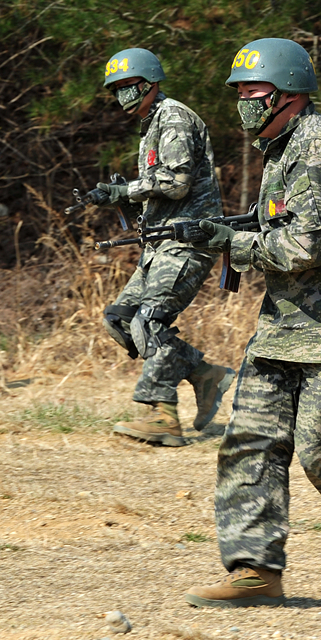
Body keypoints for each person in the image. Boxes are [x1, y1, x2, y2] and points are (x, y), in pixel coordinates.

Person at [182, 38, 321, 609]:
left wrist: (233, 242)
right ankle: (255, 570)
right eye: (238, 92)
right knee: (250, 440)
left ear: (286, 93)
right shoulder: (279, 148)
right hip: (285, 326)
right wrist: (234, 232)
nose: (242, 101)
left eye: (252, 91)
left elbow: (308, 244)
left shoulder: (319, 149)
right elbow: (283, 224)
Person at [92, 48, 235, 447]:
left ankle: (162, 417)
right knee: (120, 319)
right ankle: (206, 375)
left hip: (188, 241)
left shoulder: (173, 117)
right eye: (116, 88)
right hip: (160, 243)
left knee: (149, 321)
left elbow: (175, 182)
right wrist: (116, 196)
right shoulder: (151, 122)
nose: (123, 94)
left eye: (129, 85)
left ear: (151, 82)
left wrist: (126, 190)